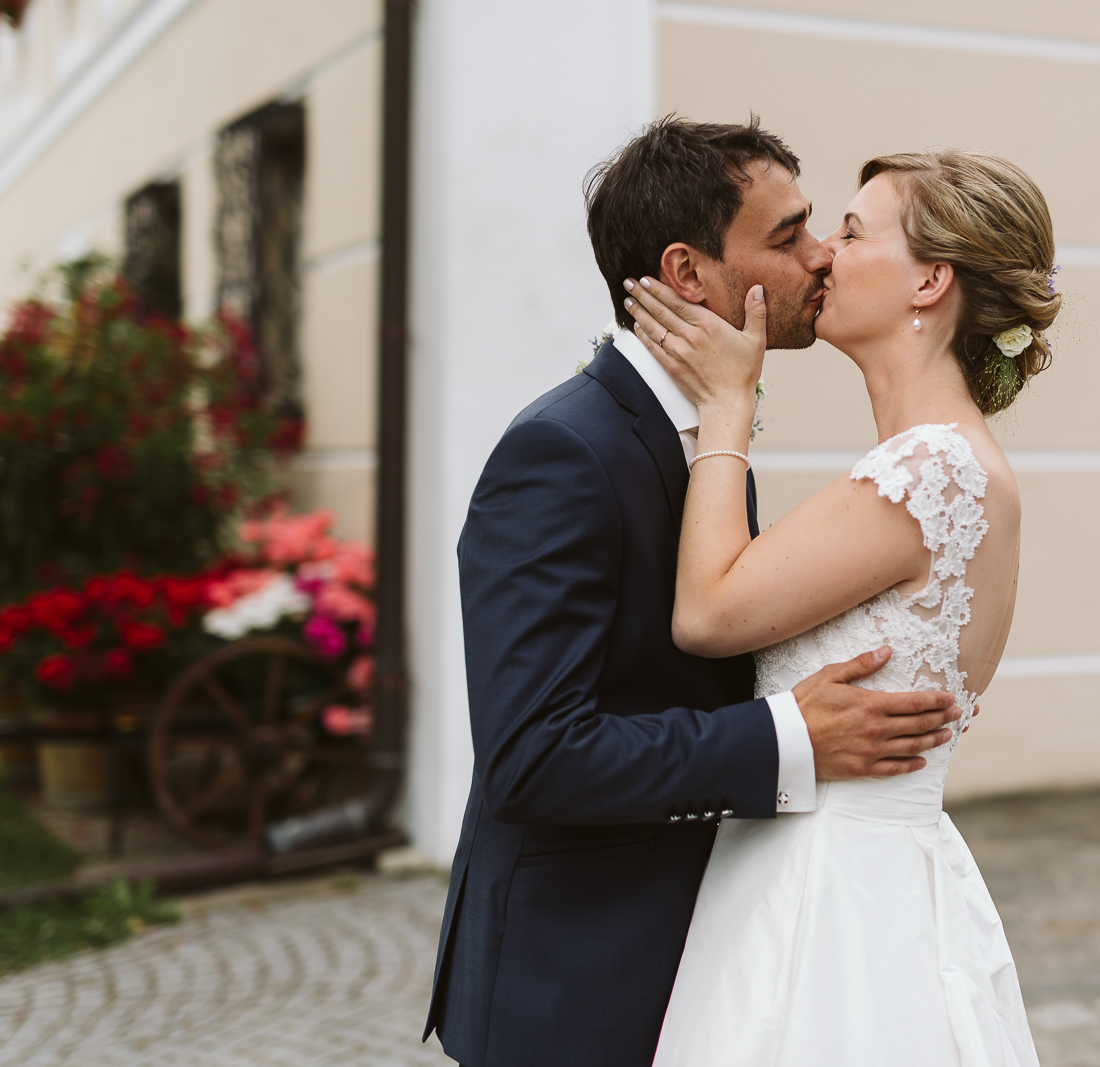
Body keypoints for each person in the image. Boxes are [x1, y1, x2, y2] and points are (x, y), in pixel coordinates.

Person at [422, 117, 965, 1067]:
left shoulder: (714, 440)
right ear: (688, 273)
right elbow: (533, 755)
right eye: (789, 235)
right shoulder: (563, 451)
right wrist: (791, 735)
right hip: (576, 978)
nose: (820, 257)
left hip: (714, 970)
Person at [621, 147, 1057, 1065]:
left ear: (930, 280)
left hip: (829, 896)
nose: (822, 253)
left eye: (852, 232)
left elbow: (705, 612)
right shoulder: (958, 470)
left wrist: (726, 406)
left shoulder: (927, 472)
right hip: (868, 872)